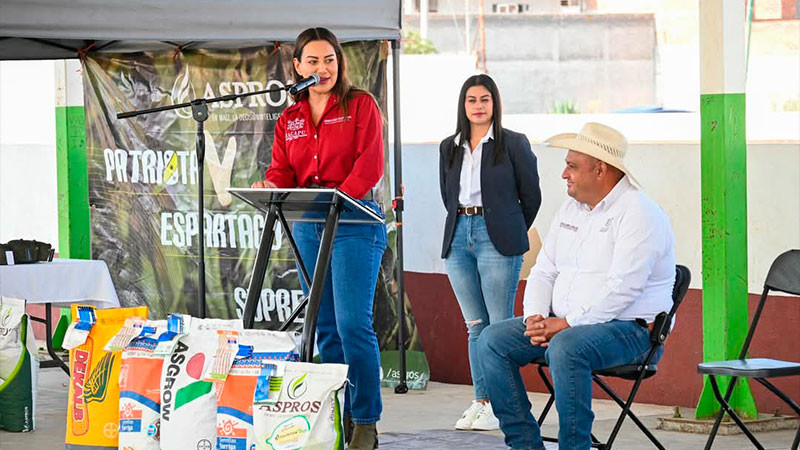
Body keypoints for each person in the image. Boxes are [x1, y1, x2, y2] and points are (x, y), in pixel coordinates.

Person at [477, 122, 676, 450]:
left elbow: (622, 288)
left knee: (566, 347)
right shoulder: (571, 209)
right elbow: (544, 270)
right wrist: (535, 317)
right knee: (492, 340)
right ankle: (525, 445)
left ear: (600, 169)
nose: (564, 174)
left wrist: (566, 324)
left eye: (572, 166)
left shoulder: (640, 213)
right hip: (566, 326)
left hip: (633, 331)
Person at [252, 27, 386, 450]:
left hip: (354, 224)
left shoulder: (360, 105)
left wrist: (338, 198)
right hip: (309, 226)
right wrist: (269, 185)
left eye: (330, 59)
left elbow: (370, 164)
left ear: (339, 63)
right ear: (297, 67)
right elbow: (282, 171)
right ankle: (335, 418)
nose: (323, 68)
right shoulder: (289, 119)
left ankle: (365, 421)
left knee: (352, 324)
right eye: (313, 61)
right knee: (325, 327)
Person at [438, 74, 541, 431]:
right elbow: (447, 195)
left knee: (499, 328)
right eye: (472, 100)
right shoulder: (449, 146)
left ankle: (503, 404)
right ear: (463, 105)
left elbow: (531, 195)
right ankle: (482, 401)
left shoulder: (513, 143)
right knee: (475, 326)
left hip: (497, 237)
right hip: (458, 237)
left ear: (494, 103)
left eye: (485, 99)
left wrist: (509, 228)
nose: (478, 106)